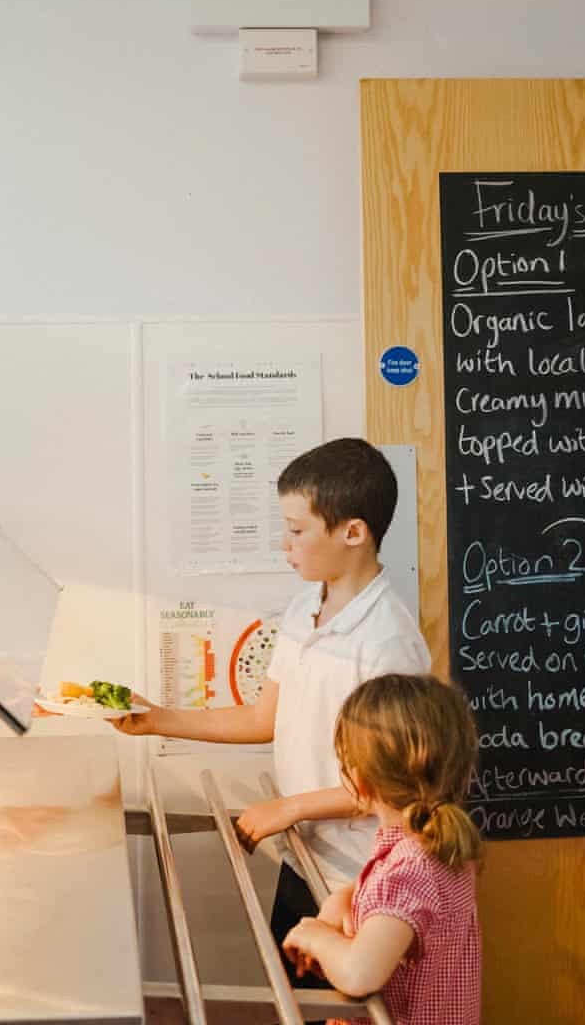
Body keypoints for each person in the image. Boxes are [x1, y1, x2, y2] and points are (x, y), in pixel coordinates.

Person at [114, 437, 432, 947]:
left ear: (353, 532)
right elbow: (266, 717)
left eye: (296, 530)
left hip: (361, 882)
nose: (284, 545)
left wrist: (289, 807)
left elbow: (394, 787)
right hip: (304, 857)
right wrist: (158, 719)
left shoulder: (388, 644)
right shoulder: (306, 606)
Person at [281, 673, 482, 1025]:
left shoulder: (409, 870)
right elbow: (403, 910)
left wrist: (318, 939)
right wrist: (345, 899)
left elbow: (360, 974)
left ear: (359, 781)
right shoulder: (437, 848)